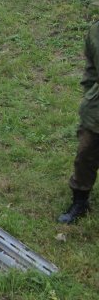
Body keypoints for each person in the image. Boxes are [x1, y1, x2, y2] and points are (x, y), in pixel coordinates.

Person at [57, 20, 99, 224]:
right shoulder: (96, 31)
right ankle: (80, 201)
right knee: (86, 154)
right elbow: (90, 71)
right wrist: (90, 96)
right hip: (96, 108)